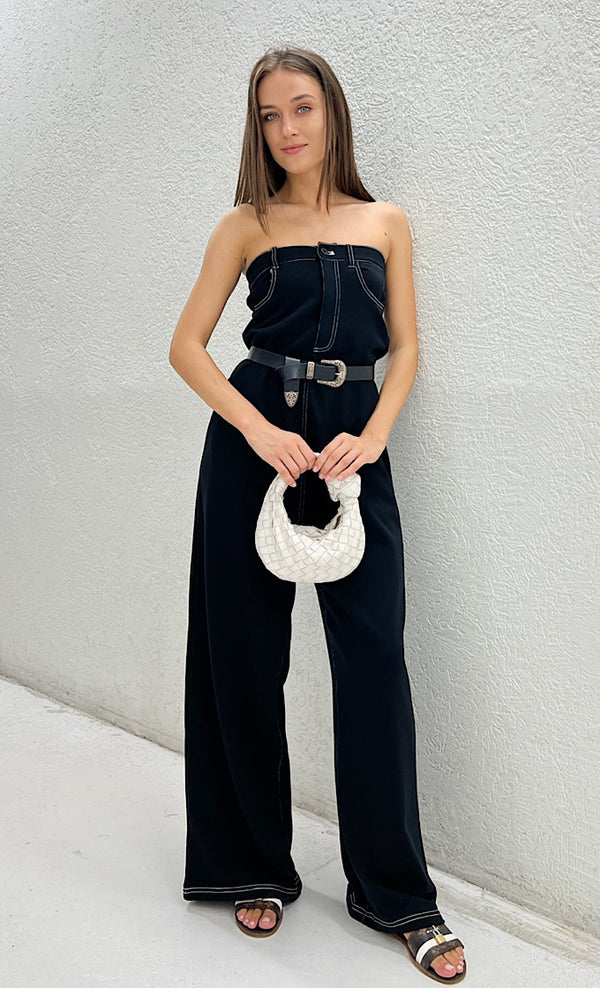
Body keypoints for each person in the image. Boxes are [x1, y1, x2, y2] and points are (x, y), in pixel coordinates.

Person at [169, 47, 467, 984]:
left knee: (373, 663)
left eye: (301, 108)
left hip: (351, 450)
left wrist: (373, 438)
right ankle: (247, 864)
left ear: (332, 112)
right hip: (255, 444)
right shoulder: (244, 225)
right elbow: (187, 346)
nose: (287, 129)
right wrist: (257, 430)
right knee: (241, 655)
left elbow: (406, 347)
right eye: (269, 115)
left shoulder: (386, 222)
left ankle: (396, 894)